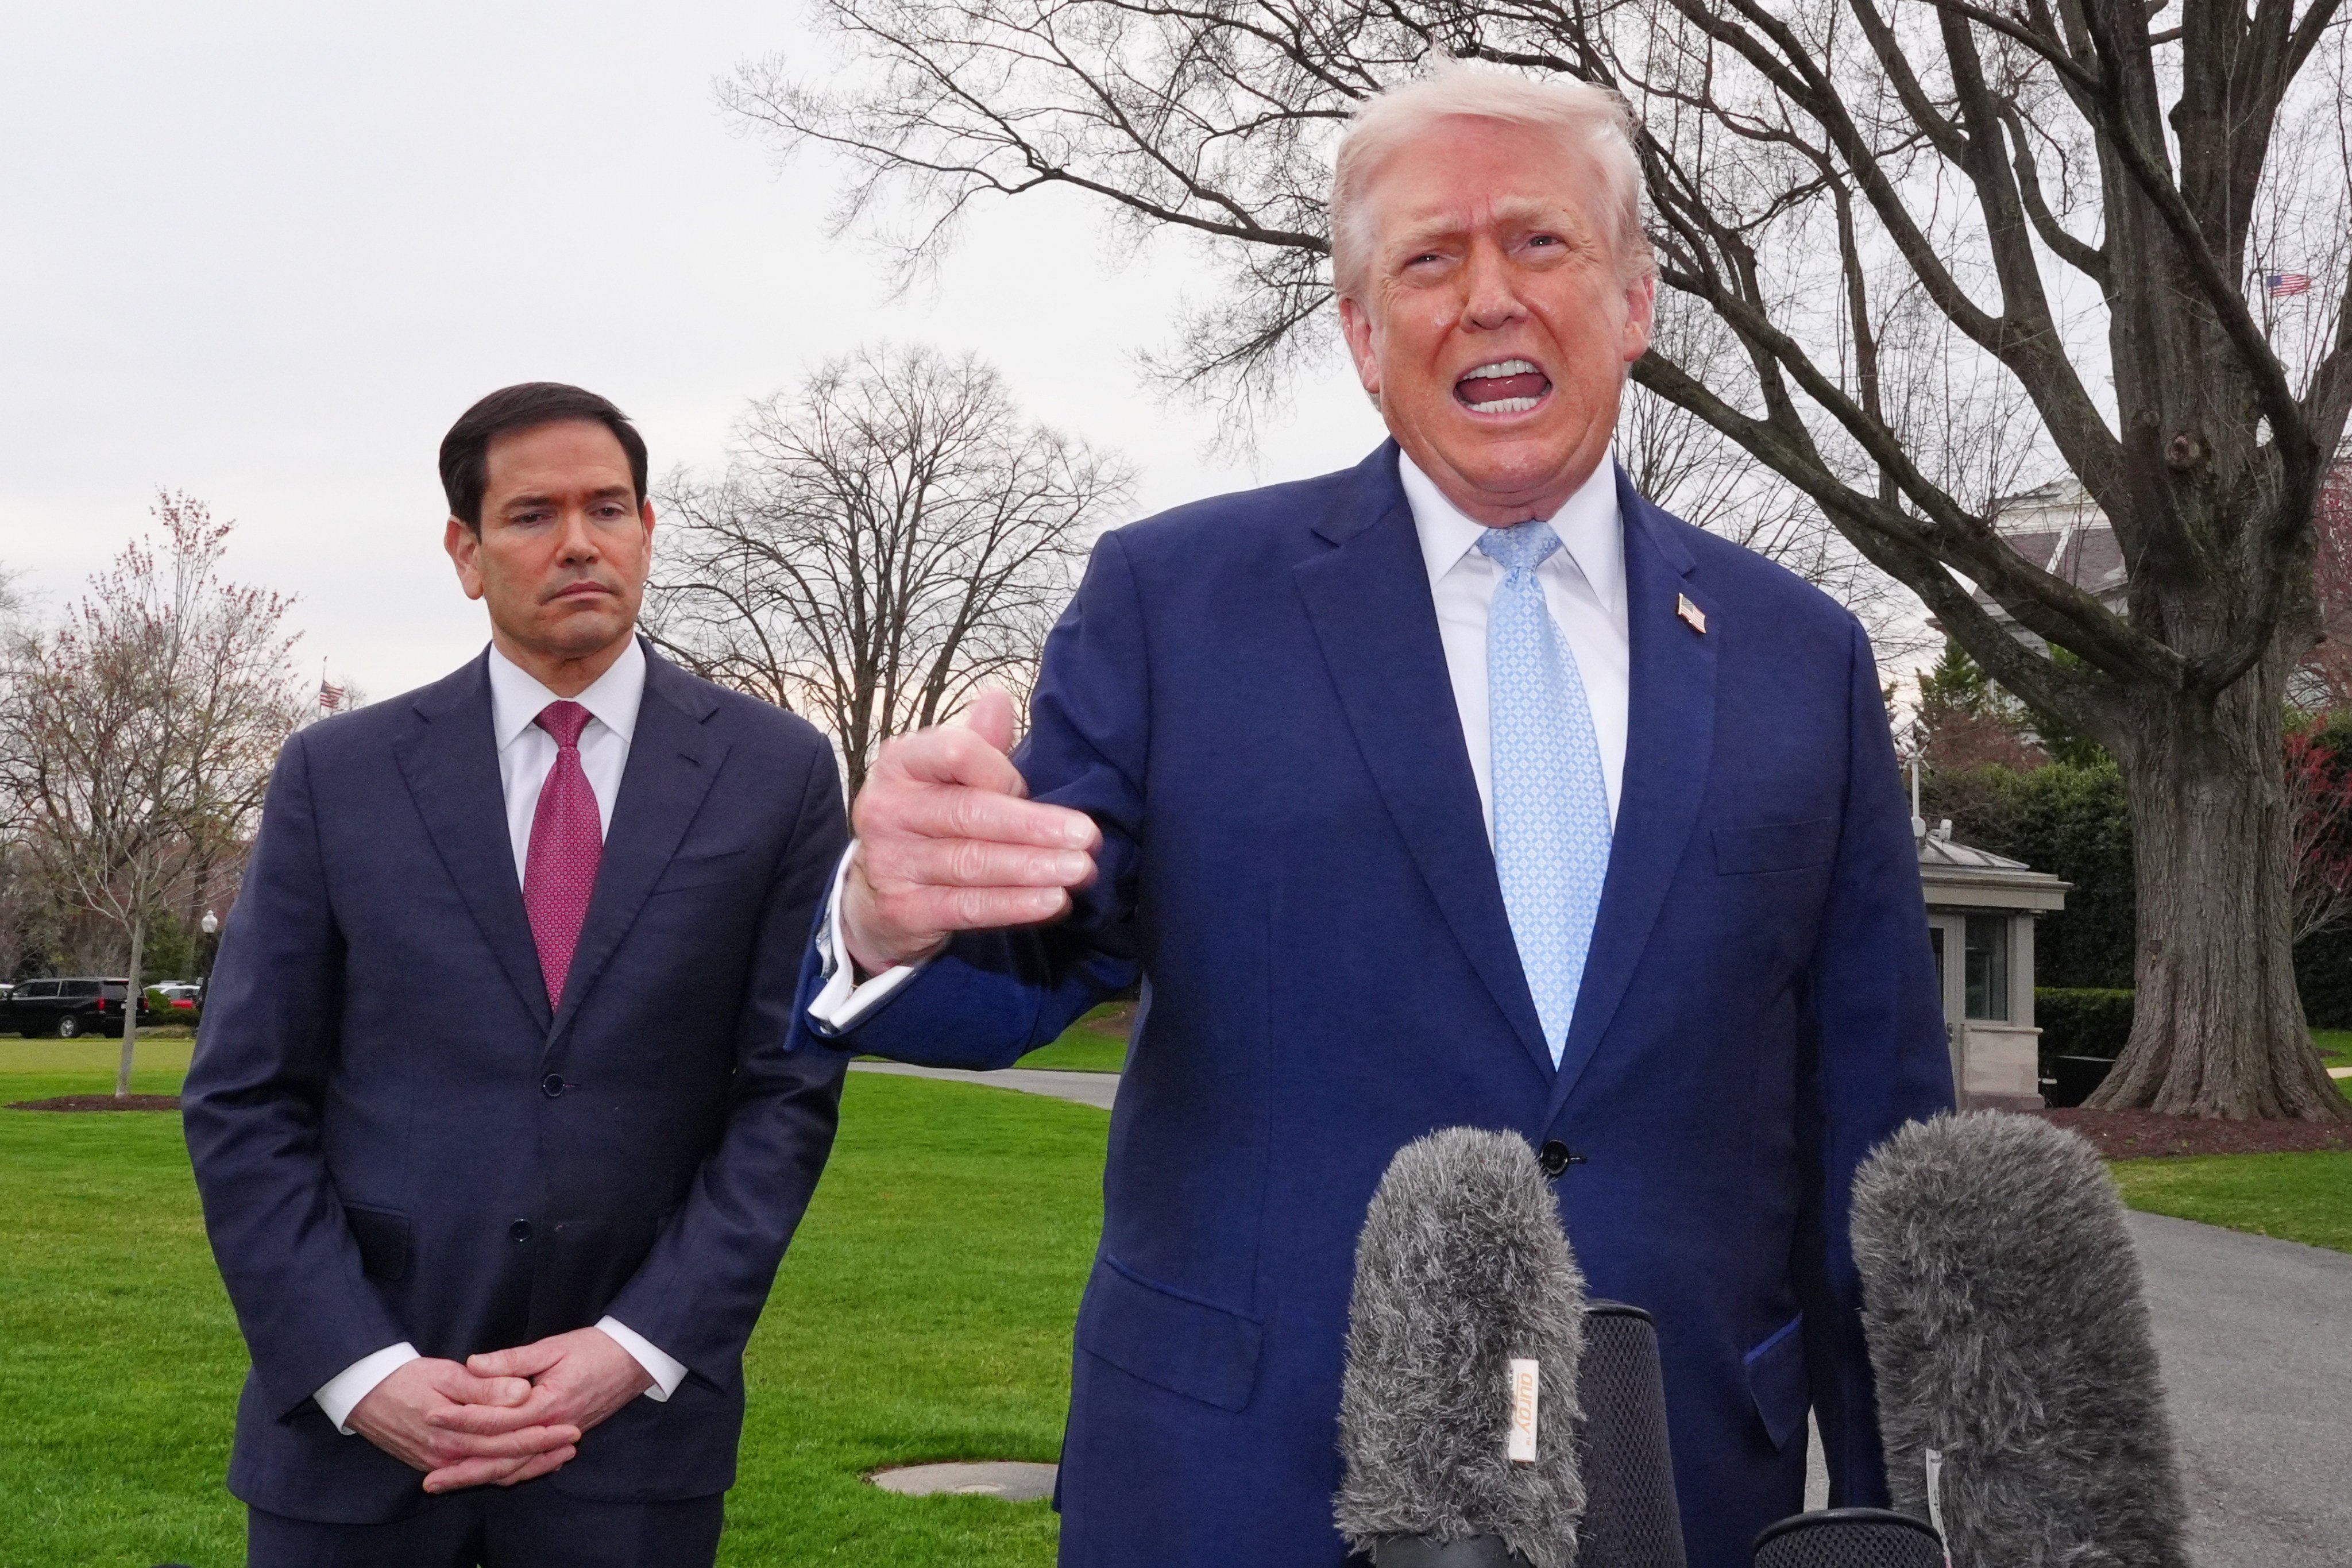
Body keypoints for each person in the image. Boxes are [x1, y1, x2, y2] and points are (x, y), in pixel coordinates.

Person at [791, 65, 1953, 1568]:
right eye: (1427, 258)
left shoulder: (1804, 656)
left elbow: (1878, 1134)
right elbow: (1013, 965)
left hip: (1675, 1483)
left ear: (1635, 301)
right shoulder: (1172, 605)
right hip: (1246, 1487)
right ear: (1359, 334)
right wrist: (884, 916)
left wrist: (1903, 1515)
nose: (1488, 296)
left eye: (1538, 241)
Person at [184, 383, 848, 1567]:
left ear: (647, 528)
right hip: (355, 1452)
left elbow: (786, 1094)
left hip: (632, 1449)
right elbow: (244, 1095)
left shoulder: (777, 773)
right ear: (466, 552)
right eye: (534, 514)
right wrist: (360, 1369)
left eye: (608, 508)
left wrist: (635, 1348)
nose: (579, 542)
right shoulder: (338, 775)